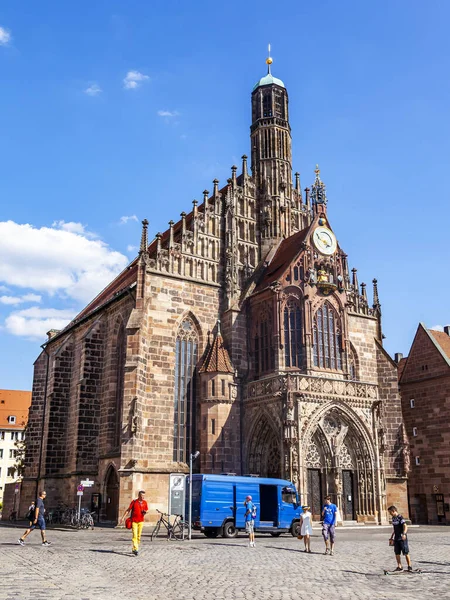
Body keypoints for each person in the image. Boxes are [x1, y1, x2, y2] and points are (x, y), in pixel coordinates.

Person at [120, 490, 148, 556]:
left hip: (141, 521)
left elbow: (146, 510)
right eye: (142, 496)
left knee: (139, 536)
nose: (143, 497)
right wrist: (123, 517)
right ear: (139, 496)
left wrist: (145, 512)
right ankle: (136, 549)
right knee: (134, 535)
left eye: (144, 496)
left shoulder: (145, 502)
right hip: (134, 521)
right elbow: (128, 510)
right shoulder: (134, 502)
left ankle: (134, 548)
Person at [388, 505, 413, 572]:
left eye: (390, 512)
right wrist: (391, 537)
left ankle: (409, 566)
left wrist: (404, 534)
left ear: (394, 511)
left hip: (402, 537)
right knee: (397, 552)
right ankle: (399, 566)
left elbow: (405, 526)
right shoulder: (393, 518)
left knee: (405, 552)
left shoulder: (400, 517)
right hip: (396, 537)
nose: (390, 514)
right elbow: (395, 528)